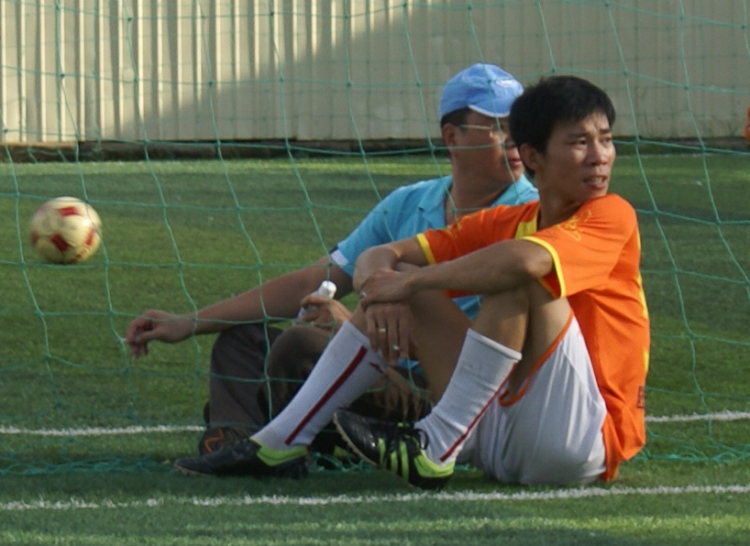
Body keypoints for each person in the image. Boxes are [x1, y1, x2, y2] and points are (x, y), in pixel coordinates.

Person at [172, 74, 649, 489]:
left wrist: (409, 286)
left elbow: (524, 263)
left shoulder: (612, 214)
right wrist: (386, 290)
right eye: (579, 142)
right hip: (493, 436)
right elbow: (379, 256)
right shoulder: (488, 214)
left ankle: (433, 444)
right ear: (533, 154)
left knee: (521, 275)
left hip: (580, 439)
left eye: (605, 139)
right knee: (396, 277)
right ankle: (278, 443)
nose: (599, 156)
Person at [126, 63, 538, 457]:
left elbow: (506, 342)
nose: (514, 140)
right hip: (377, 367)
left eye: (519, 127)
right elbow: (318, 277)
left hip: (443, 387)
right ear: (452, 137)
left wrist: (359, 327)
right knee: (242, 340)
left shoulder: (532, 215)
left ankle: (286, 434)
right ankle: (236, 442)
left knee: (301, 345)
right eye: (498, 128)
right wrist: (190, 321)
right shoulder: (410, 202)